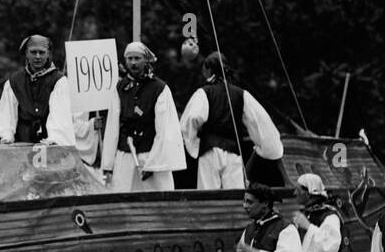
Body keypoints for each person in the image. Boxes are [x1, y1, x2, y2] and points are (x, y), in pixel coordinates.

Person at [180, 52, 283, 189]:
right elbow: (261, 123)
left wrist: (193, 144)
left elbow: (191, 119)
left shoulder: (204, 92)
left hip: (209, 152)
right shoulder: (242, 94)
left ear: (209, 69)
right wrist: (269, 149)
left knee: (208, 197)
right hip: (234, 152)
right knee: (236, 196)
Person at [100, 41, 185, 192]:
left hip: (150, 154)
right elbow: (112, 126)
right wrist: (108, 164)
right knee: (123, 198)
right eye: (130, 58)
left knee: (158, 200)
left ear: (145, 60)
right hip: (125, 156)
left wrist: (153, 163)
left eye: (137, 58)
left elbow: (165, 129)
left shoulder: (159, 88)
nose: (133, 63)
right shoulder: (120, 88)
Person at [0, 34, 76, 147]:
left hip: (49, 143)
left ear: (48, 54)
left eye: (42, 52)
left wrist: (53, 140)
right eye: (33, 52)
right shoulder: (14, 82)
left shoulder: (58, 81)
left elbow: (60, 117)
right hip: (21, 143)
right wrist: (7, 138)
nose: (38, 56)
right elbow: (7, 115)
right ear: (27, 54)